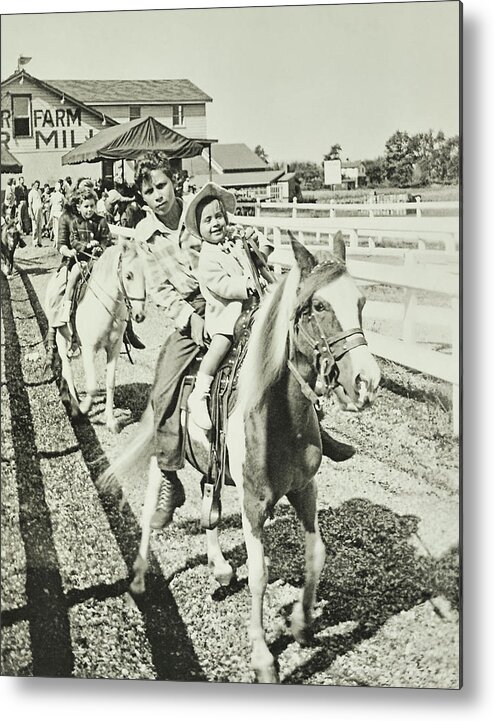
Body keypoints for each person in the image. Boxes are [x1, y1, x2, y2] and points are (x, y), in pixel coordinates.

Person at [132, 151, 354, 531]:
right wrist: (190, 318)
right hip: (196, 311)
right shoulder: (146, 236)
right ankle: (170, 473)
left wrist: (253, 244)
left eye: (162, 185)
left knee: (287, 350)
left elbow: (243, 246)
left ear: (174, 183)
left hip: (240, 303)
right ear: (143, 197)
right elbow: (161, 290)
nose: (158, 195)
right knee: (165, 382)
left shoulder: (205, 213)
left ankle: (315, 428)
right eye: (149, 190)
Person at [184, 182, 259, 429]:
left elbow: (255, 259)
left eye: (219, 217)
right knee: (222, 342)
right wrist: (245, 285)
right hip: (226, 313)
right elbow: (222, 285)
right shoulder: (206, 257)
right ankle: (200, 392)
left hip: (250, 309)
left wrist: (253, 243)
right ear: (199, 228)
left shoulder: (232, 242)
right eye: (208, 220)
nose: (216, 223)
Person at [58, 187, 111, 324]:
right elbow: (73, 241)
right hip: (81, 259)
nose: (89, 210)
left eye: (92, 206)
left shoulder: (101, 221)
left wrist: (100, 246)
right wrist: (85, 245)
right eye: (86, 206)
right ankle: (67, 306)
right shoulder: (75, 222)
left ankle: (126, 322)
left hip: (99, 259)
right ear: (78, 207)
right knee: (76, 271)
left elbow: (106, 239)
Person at [49, 180, 65, 248]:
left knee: (55, 227)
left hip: (54, 210)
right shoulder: (61, 195)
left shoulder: (53, 195)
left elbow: (51, 203)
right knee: (59, 227)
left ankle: (56, 241)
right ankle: (57, 241)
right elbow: (64, 203)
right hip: (59, 210)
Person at [28, 180, 43, 247]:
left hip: (40, 211)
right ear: (34, 185)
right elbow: (30, 204)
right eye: (36, 185)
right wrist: (31, 213)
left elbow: (41, 200)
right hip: (34, 211)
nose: (37, 186)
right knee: (35, 227)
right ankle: (34, 242)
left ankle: (39, 242)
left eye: (38, 185)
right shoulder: (31, 193)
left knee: (40, 226)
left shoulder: (39, 191)